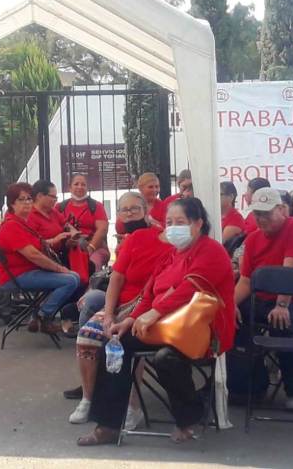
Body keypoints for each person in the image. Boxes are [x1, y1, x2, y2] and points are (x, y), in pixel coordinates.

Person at [77, 197, 236, 446]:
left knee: (166, 358)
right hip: (164, 327)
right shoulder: (172, 255)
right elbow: (148, 294)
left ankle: (188, 418)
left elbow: (190, 288)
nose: (172, 227)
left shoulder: (211, 251)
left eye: (180, 222)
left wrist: (152, 313)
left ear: (198, 224)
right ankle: (107, 425)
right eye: (169, 222)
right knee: (114, 342)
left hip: (201, 332)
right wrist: (129, 320)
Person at [67, 191, 174, 425]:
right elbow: (116, 278)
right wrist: (107, 313)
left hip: (151, 309)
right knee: (86, 336)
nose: (130, 213)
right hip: (121, 305)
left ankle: (132, 407)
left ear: (147, 211)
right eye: (125, 210)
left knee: (128, 342)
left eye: (135, 208)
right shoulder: (133, 239)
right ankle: (88, 398)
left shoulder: (169, 242)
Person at [233, 187, 293, 409]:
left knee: (280, 322)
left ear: (282, 209)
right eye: (257, 213)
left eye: (266, 213)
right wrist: (228, 306)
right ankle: (252, 383)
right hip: (263, 300)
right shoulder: (252, 239)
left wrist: (282, 304)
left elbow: (288, 271)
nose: (261, 219)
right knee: (231, 320)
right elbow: (245, 281)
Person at [0, 182, 81, 335]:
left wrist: (54, 242)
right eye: (22, 199)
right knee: (70, 279)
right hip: (17, 276)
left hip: (29, 271)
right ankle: (43, 315)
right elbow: (33, 255)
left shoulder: (23, 222)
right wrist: (59, 269)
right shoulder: (11, 226)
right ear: (12, 204)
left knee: (74, 276)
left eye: (29, 198)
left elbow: (36, 247)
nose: (27, 202)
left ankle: (38, 315)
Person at [58, 174, 110, 271]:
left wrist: (90, 248)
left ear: (87, 187)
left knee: (91, 266)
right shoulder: (60, 207)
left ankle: (92, 285)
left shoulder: (96, 206)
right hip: (68, 248)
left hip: (95, 248)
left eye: (83, 184)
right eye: (76, 184)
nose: (80, 187)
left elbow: (102, 229)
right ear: (70, 187)